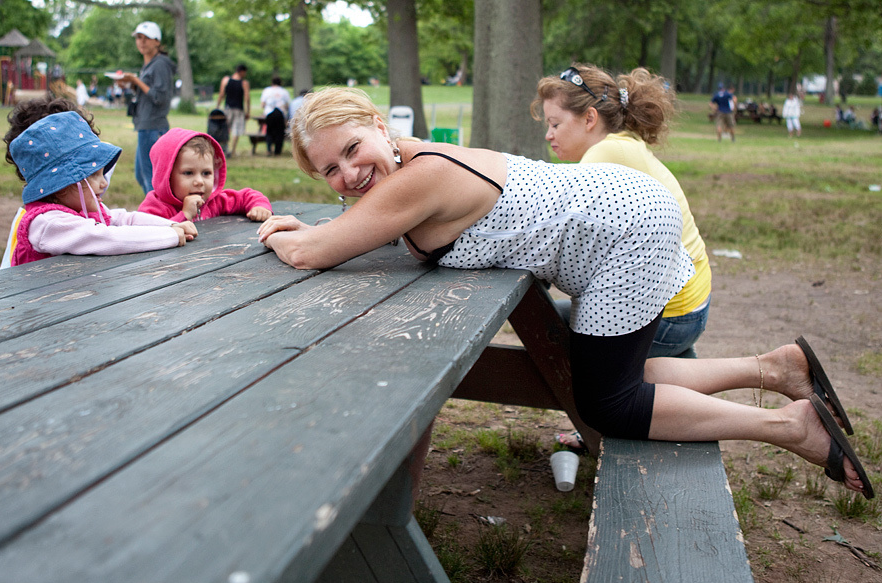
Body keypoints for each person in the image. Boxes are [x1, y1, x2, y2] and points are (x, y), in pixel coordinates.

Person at [256, 87, 873, 500]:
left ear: (377, 126)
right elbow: (368, 231)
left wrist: (283, 233)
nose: (348, 174)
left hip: (624, 235)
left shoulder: (423, 174)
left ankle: (790, 426)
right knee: (614, 375)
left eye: (352, 150)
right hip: (624, 217)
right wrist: (322, 230)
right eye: (330, 170)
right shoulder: (409, 167)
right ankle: (776, 369)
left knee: (609, 405)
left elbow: (313, 254)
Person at [532, 64, 711, 363]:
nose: (549, 135)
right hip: (689, 303)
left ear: (590, 118)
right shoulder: (622, 143)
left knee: (547, 326)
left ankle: (659, 374)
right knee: (555, 316)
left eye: (555, 124)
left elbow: (557, 230)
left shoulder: (605, 154)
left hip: (672, 315)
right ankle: (675, 369)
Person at [3, 111, 196, 268]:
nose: (104, 183)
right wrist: (169, 237)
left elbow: (124, 218)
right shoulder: (47, 223)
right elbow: (106, 238)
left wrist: (170, 226)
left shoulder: (77, 209)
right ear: (62, 185)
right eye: (94, 175)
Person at [138, 128, 273, 222]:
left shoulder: (214, 202)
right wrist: (185, 215)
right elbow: (144, 236)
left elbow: (245, 196)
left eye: (206, 173)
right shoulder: (155, 208)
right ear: (166, 177)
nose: (199, 181)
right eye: (188, 173)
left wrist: (260, 206)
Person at [119, 21, 176, 194]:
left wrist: (136, 81)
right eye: (138, 37)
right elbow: (147, 93)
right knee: (141, 175)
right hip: (145, 125)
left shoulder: (160, 64)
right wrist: (130, 85)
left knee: (150, 178)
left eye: (147, 38)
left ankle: (156, 210)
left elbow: (161, 97)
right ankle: (155, 207)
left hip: (153, 126)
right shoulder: (149, 64)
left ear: (157, 41)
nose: (142, 42)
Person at [216, 64, 251, 157]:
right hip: (239, 109)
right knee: (236, 129)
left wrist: (217, 106)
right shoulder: (244, 83)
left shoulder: (226, 80)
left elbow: (221, 94)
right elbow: (247, 97)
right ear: (242, 71)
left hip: (227, 108)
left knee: (226, 128)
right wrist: (248, 111)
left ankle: (225, 148)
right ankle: (232, 150)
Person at [260, 76, 291, 156]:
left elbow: (262, 104)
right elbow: (287, 106)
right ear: (281, 83)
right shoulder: (284, 92)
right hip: (280, 114)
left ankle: (269, 149)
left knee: (269, 132)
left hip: (269, 113)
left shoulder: (267, 90)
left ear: (272, 83)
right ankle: (277, 151)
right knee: (280, 132)